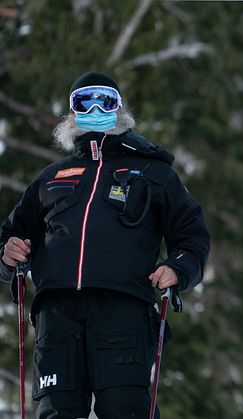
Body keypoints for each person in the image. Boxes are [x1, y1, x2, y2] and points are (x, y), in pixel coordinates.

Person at [0, 71, 210, 419]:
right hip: (56, 313)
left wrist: (177, 268)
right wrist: (9, 256)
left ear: (120, 110)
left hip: (123, 309)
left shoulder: (154, 172)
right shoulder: (51, 178)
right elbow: (10, 238)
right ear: (71, 113)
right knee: (56, 411)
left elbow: (192, 236)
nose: (95, 107)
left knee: (125, 409)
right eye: (84, 101)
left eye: (105, 100)